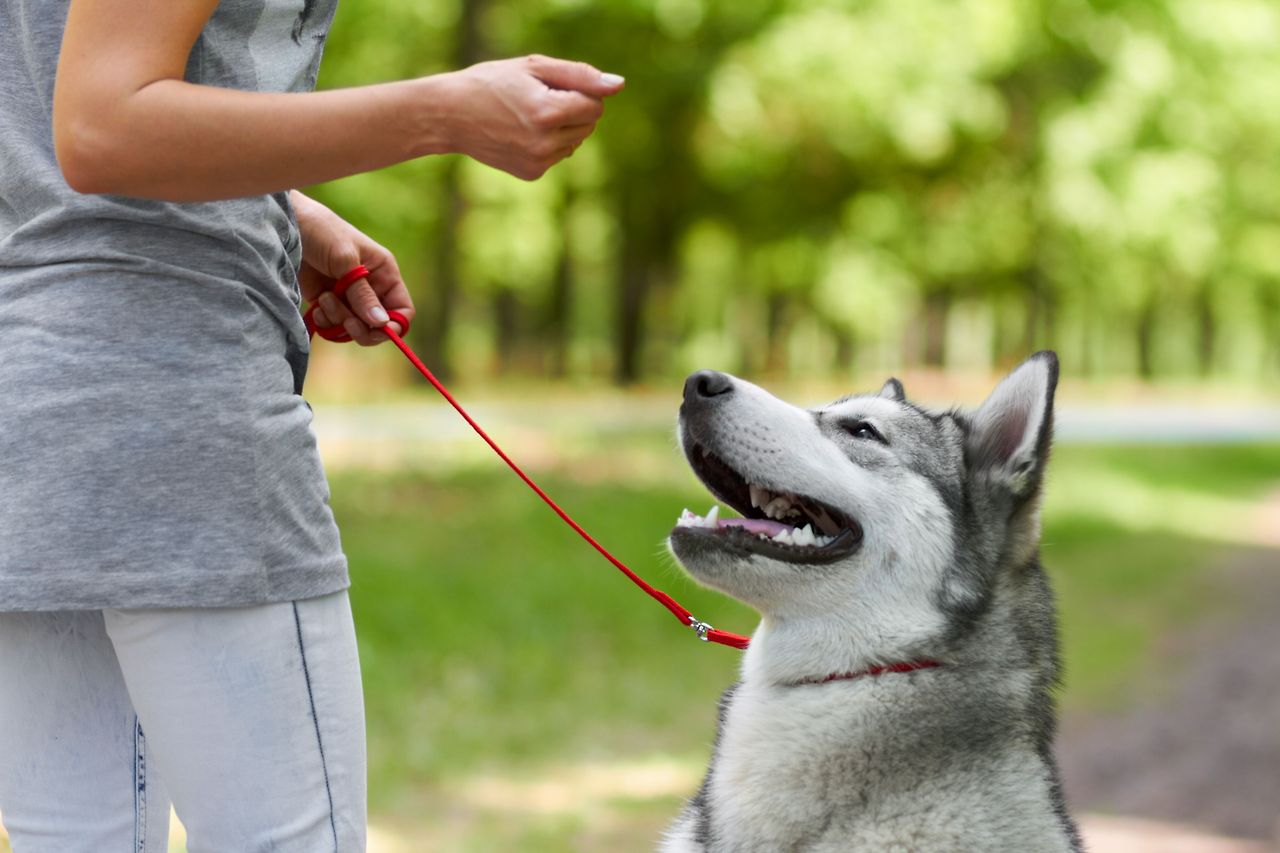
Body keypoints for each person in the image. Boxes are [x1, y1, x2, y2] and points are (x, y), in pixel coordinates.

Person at [0, 0, 624, 849]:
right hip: (181, 407)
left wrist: (280, 214)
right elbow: (100, 125)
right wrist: (444, 112)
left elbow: (47, 119)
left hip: (33, 419)